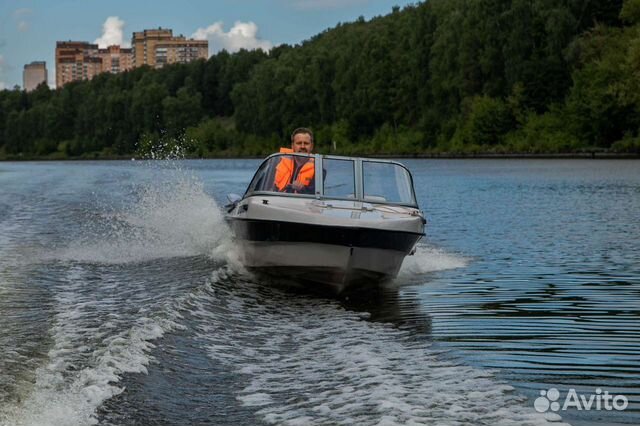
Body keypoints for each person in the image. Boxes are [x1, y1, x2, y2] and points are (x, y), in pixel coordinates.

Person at [273, 128, 315, 194]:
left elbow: (316, 196)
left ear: (312, 146)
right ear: (292, 146)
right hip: (278, 201)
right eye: (299, 143)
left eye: (306, 143)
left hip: (301, 203)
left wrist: (302, 189)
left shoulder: (318, 169)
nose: (302, 146)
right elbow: (266, 187)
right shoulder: (277, 162)